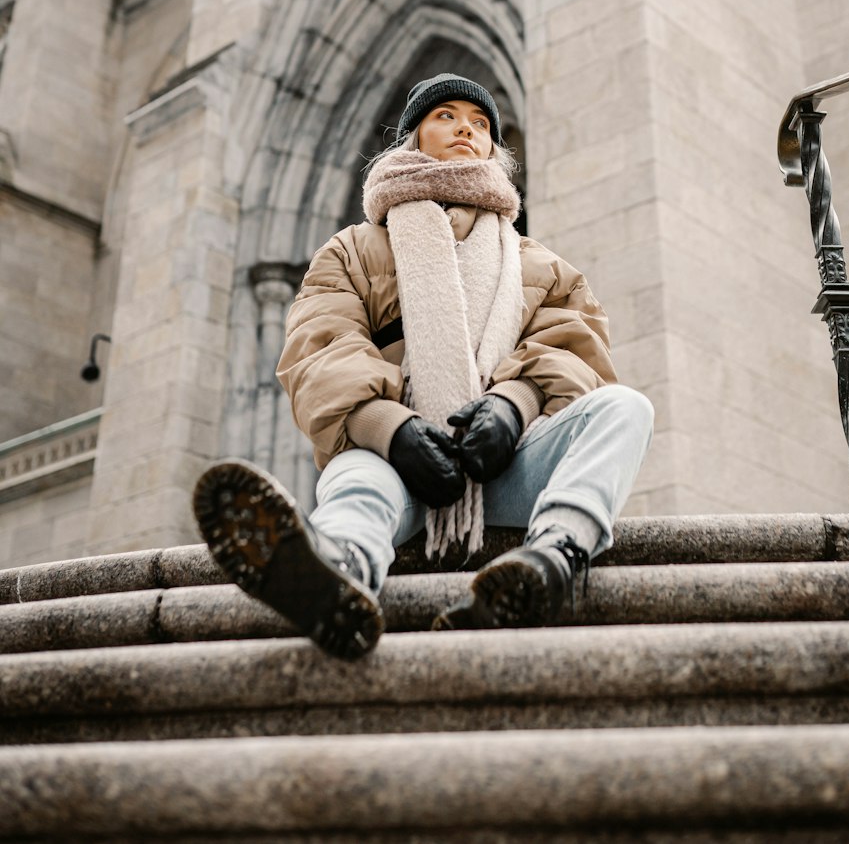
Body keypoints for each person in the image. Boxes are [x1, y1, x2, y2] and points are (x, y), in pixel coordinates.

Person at [193, 73, 654, 660]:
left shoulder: (542, 264)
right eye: (447, 116)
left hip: (512, 466)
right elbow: (321, 349)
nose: (466, 127)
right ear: (412, 138)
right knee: (357, 475)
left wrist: (514, 407)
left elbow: (574, 349)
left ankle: (552, 557)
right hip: (402, 469)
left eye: (481, 123)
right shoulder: (354, 250)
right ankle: (336, 574)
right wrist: (393, 430)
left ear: (492, 147)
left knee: (624, 409)